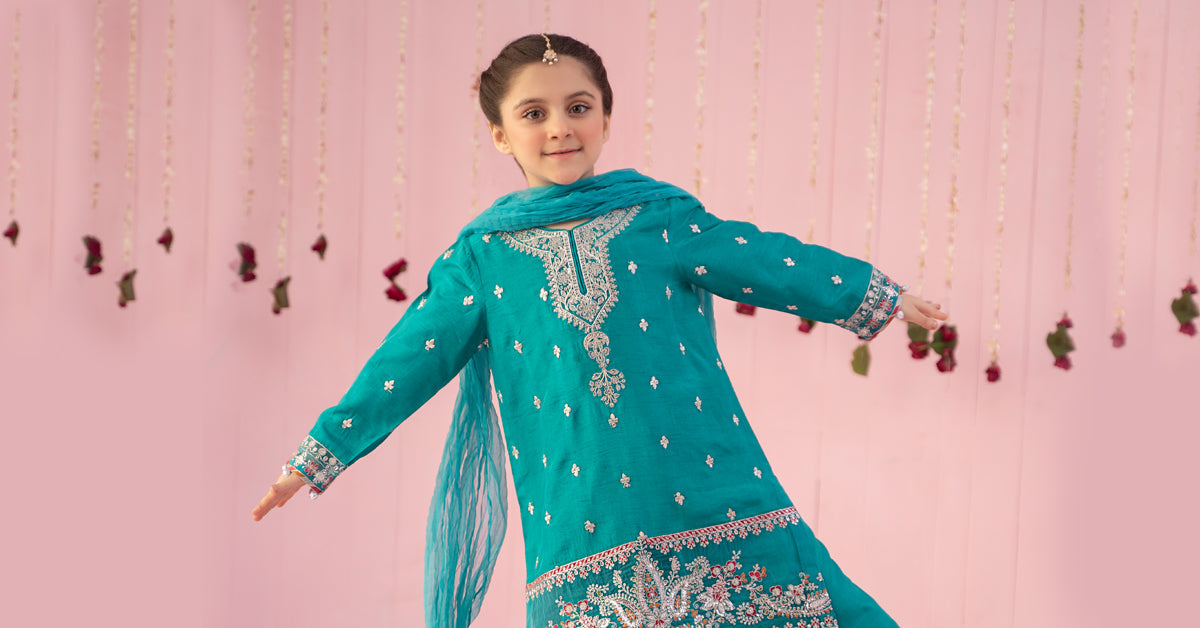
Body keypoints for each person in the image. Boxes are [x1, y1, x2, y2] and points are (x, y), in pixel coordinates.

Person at [252, 33, 946, 628]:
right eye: (534, 113)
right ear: (500, 134)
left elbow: (763, 259)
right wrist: (321, 454)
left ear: (606, 119)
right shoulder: (481, 258)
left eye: (578, 108)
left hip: (714, 490)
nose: (560, 128)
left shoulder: (658, 218)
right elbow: (409, 358)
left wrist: (874, 294)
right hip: (580, 521)